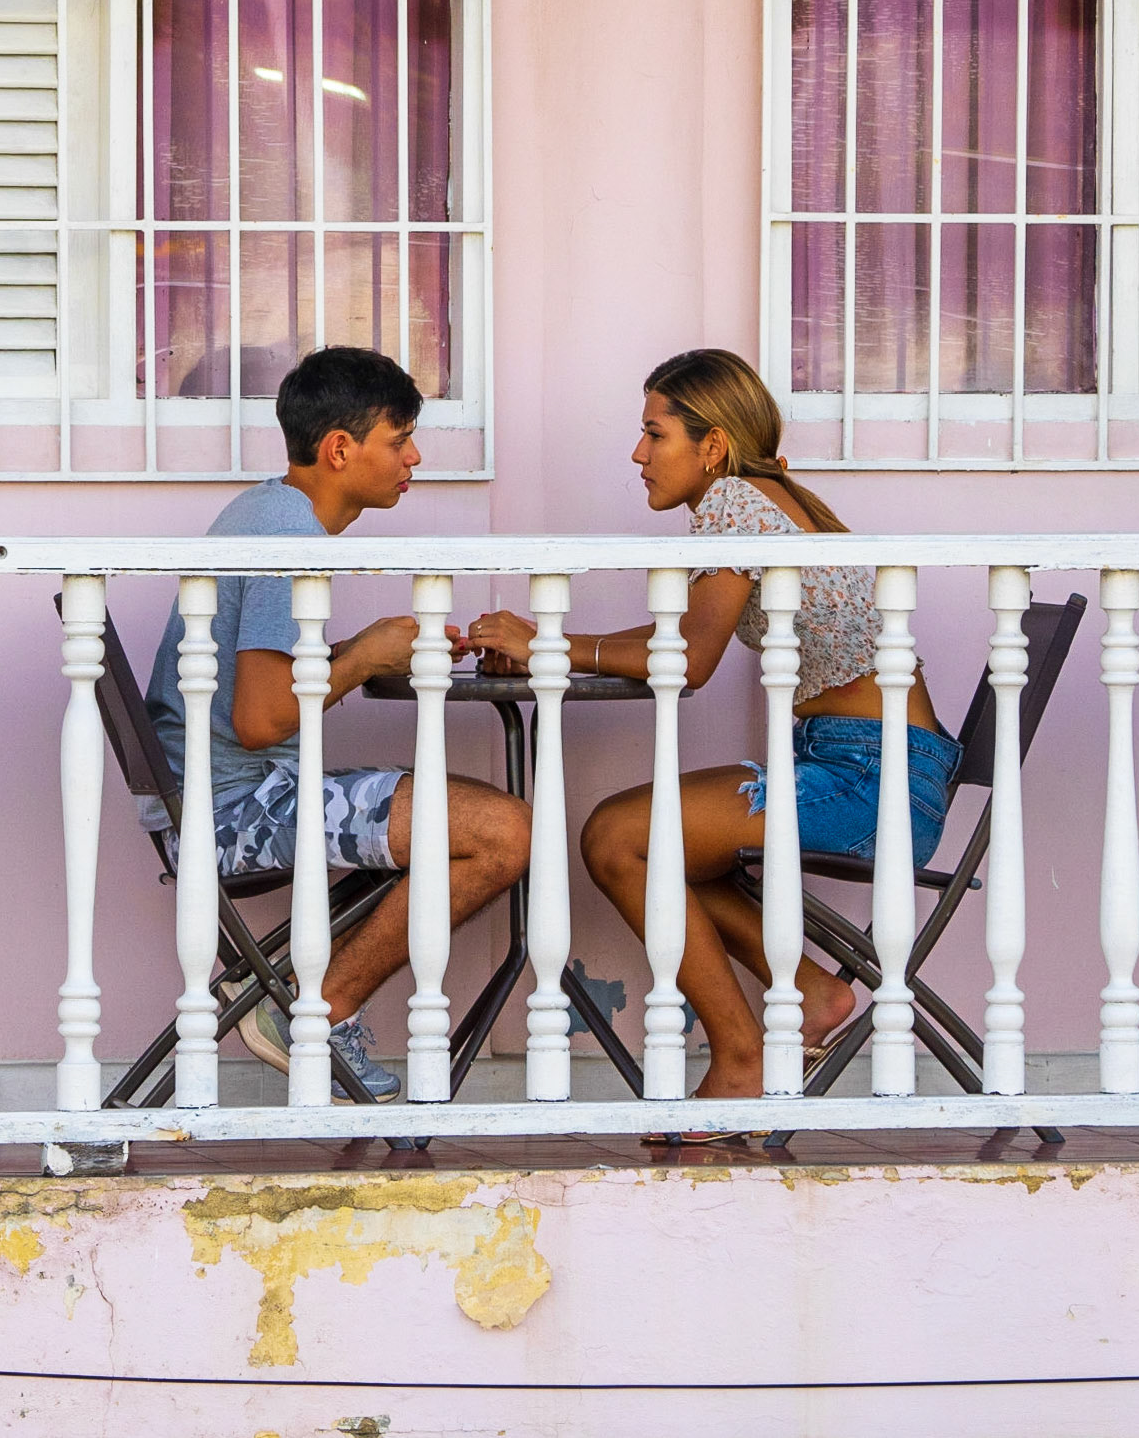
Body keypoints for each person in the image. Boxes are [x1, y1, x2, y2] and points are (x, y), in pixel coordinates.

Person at [469, 347, 960, 1116]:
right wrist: (552, 644)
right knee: (656, 842)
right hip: (874, 767)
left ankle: (739, 1055)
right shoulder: (760, 497)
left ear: (712, 445)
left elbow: (689, 658)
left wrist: (550, 644)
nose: (637, 453)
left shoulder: (735, 503)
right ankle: (810, 991)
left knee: (617, 837)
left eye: (653, 433)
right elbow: (684, 629)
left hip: (870, 779)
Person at [142, 345, 531, 1100]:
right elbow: (259, 719)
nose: (413, 456)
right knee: (504, 831)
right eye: (399, 438)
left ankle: (295, 992)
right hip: (228, 813)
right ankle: (314, 1008)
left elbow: (265, 691)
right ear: (340, 448)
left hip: (225, 794)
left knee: (478, 816)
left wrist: (367, 649)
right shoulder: (284, 535)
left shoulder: (269, 511)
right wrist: (356, 661)